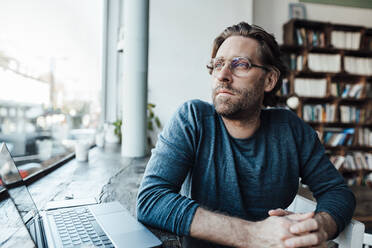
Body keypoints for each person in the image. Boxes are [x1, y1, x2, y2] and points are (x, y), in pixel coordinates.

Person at [136, 22, 355, 248]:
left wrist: (316, 226)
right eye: (218, 64)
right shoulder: (192, 119)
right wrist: (253, 234)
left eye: (240, 64)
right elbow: (151, 200)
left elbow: (337, 192)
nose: (222, 75)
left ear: (269, 80)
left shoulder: (291, 130)